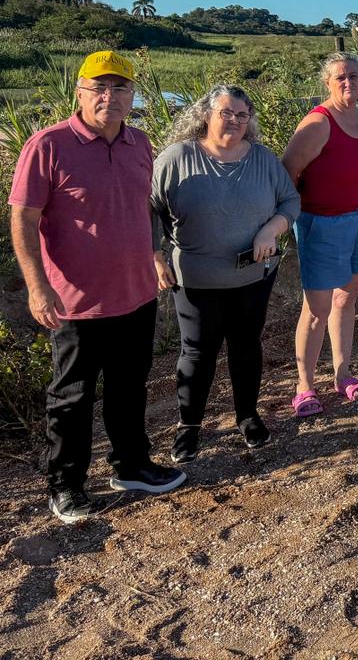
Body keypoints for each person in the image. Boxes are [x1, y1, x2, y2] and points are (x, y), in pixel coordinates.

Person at [9, 50, 185, 524]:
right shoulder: (48, 145)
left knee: (130, 386)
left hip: (135, 292)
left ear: (132, 96)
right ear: (81, 93)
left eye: (121, 88)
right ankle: (65, 486)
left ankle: (131, 465)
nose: (110, 96)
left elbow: (141, 211)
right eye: (99, 88)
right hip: (74, 300)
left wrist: (153, 257)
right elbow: (23, 220)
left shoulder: (139, 143)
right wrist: (37, 286)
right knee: (72, 395)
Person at [151, 85, 301, 462]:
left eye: (242, 115)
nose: (234, 120)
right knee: (197, 352)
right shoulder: (176, 158)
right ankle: (190, 427)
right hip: (196, 279)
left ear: (249, 121)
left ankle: (248, 416)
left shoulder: (264, 159)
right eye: (226, 112)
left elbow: (290, 200)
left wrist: (272, 229)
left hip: (253, 276)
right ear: (206, 114)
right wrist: (154, 254)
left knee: (247, 346)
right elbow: (149, 209)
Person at [282, 52, 358, 417]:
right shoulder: (318, 122)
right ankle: (304, 385)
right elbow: (287, 172)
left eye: (354, 76)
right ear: (327, 83)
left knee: (346, 299)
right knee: (317, 308)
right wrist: (296, 217)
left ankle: (343, 374)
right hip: (324, 224)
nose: (348, 83)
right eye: (340, 77)